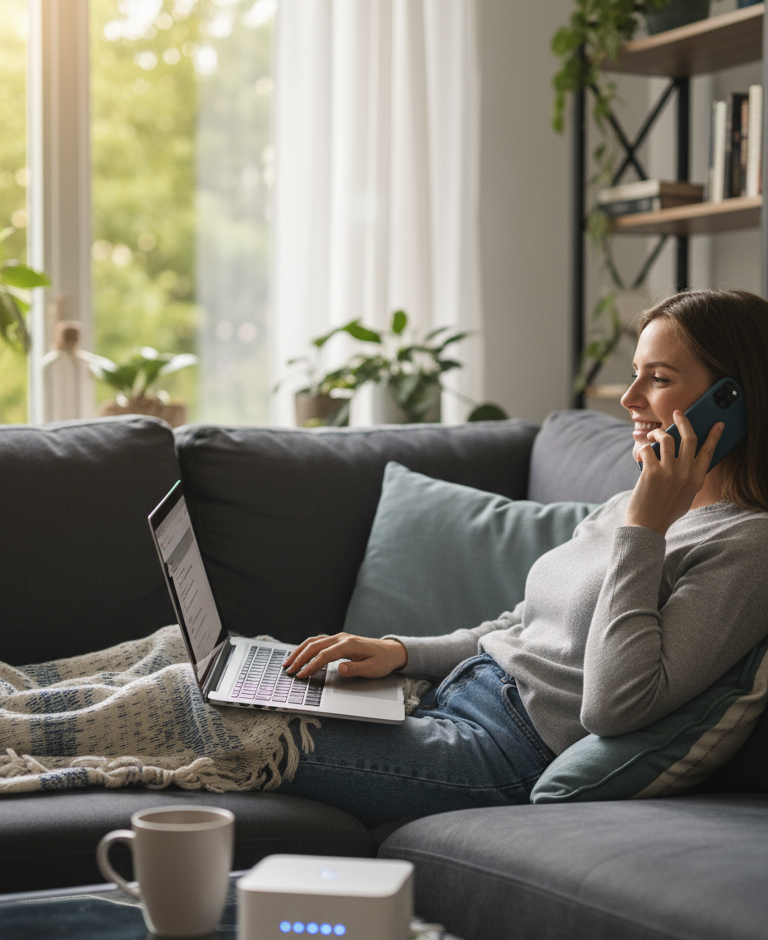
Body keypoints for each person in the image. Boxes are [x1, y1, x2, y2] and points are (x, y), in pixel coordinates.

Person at [280, 288, 768, 826]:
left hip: (500, 755)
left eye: (658, 378)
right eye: (635, 373)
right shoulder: (628, 505)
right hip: (446, 694)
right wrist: (399, 652)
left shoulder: (743, 546)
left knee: (190, 700)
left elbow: (615, 707)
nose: (629, 399)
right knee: (209, 668)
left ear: (734, 400)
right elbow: (524, 626)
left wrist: (647, 529)